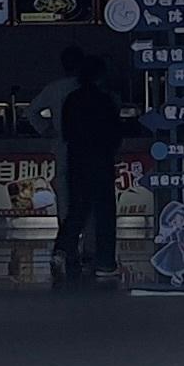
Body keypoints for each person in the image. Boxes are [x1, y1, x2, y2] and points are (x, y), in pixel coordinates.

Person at [25, 52, 126, 288]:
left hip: (73, 157)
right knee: (103, 211)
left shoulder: (68, 96)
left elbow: (40, 116)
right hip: (100, 160)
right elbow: (115, 132)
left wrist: (49, 131)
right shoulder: (106, 99)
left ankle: (63, 249)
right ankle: (102, 261)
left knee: (74, 207)